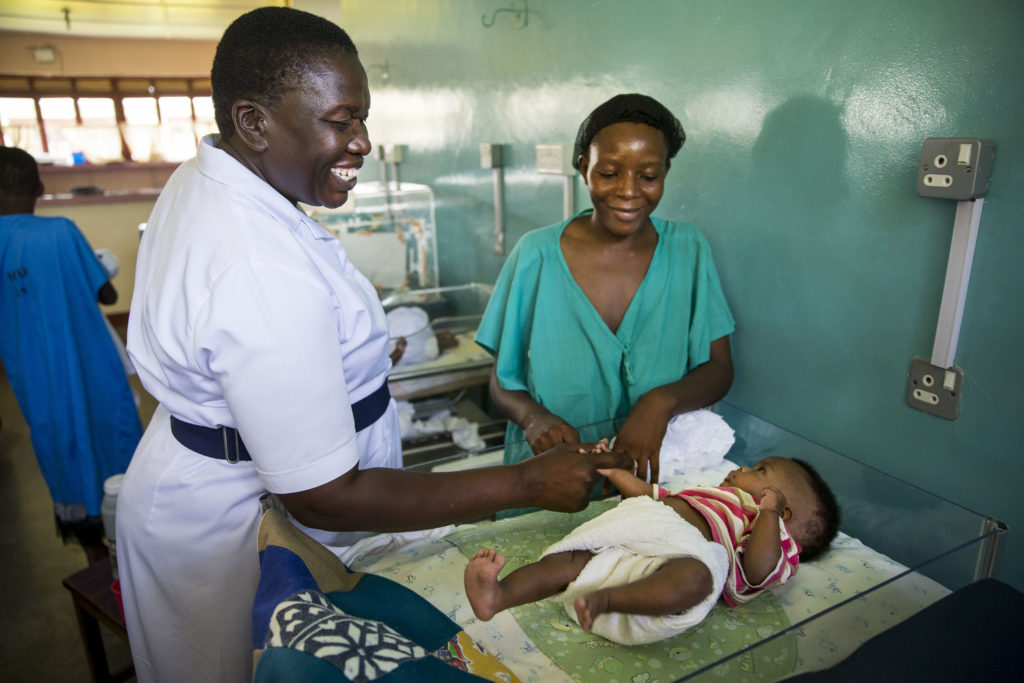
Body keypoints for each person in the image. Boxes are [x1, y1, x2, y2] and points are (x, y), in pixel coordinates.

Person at [117, 7, 632, 682]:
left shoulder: (224, 177)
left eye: (362, 117)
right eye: (341, 120)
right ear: (253, 122)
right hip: (232, 524)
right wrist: (525, 480)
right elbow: (323, 495)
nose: (362, 141)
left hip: (216, 478)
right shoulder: (256, 262)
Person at [476, 93, 736, 494]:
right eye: (609, 173)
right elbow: (503, 379)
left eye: (648, 176)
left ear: (665, 171)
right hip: (551, 480)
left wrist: (659, 403)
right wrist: (533, 419)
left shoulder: (689, 250)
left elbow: (719, 368)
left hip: (651, 482)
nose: (629, 192)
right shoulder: (537, 254)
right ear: (584, 168)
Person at [464, 450, 841, 645]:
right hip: (646, 525)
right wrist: (616, 475)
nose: (743, 468)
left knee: (697, 579)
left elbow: (757, 571)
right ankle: (499, 595)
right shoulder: (715, 492)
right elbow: (654, 495)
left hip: (686, 551)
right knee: (573, 556)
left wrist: (767, 516)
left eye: (760, 471)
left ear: (783, 509)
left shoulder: (772, 537)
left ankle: (608, 600)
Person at [0, 146, 142, 564]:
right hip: (91, 367)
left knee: (59, 443)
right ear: (40, 187)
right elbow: (107, 293)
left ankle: (95, 560)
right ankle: (133, 546)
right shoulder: (61, 232)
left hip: (35, 379)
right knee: (113, 436)